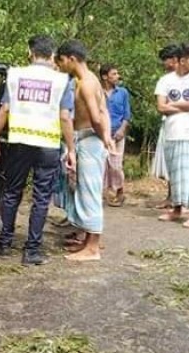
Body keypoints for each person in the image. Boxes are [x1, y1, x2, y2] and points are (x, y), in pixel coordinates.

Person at [0, 35, 76, 265]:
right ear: (53, 55)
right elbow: (65, 117)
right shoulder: (62, 80)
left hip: (18, 142)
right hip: (47, 145)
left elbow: (5, 109)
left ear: (30, 53)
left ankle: (4, 243)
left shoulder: (15, 75)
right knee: (41, 197)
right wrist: (72, 149)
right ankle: (32, 251)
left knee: (11, 192)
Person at [54, 39, 115, 262]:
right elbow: (103, 111)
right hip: (87, 139)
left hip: (89, 139)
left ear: (71, 59)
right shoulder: (88, 80)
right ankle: (88, 240)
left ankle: (93, 248)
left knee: (89, 191)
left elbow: (97, 116)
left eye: (61, 61)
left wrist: (102, 136)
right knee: (83, 190)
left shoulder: (87, 83)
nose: (60, 65)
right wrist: (106, 136)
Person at [154, 42, 189, 228]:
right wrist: (179, 108)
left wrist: (173, 106)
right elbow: (160, 107)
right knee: (175, 173)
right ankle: (177, 208)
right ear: (181, 60)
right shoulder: (165, 81)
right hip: (172, 132)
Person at [151, 44, 181, 209]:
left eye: (166, 60)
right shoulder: (165, 80)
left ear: (175, 59)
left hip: (183, 127)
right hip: (168, 123)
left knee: (179, 163)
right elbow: (161, 106)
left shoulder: (188, 79)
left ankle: (179, 199)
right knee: (169, 163)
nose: (164, 63)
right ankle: (171, 197)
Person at [100, 64, 131, 207]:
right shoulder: (98, 92)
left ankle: (120, 191)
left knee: (116, 165)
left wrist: (122, 130)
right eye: (114, 74)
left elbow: (127, 114)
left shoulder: (123, 92)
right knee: (102, 165)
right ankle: (104, 194)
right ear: (105, 76)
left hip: (118, 133)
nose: (117, 76)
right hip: (101, 134)